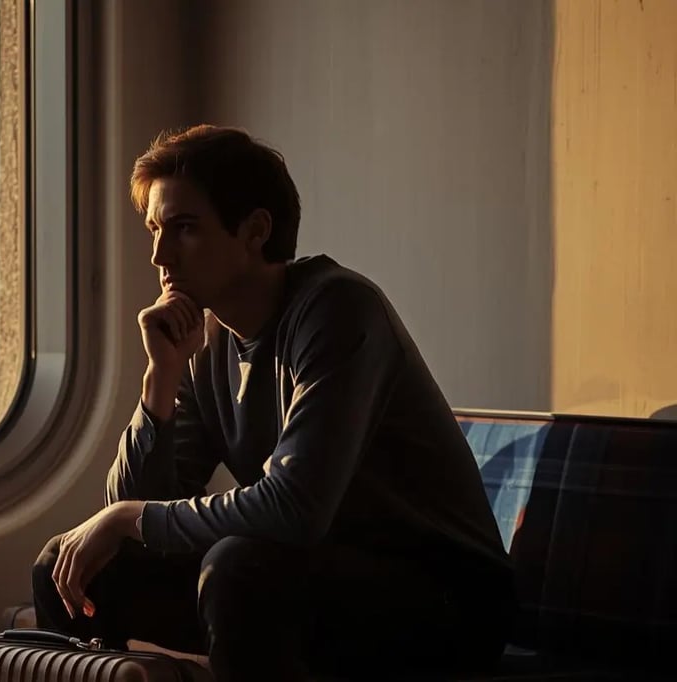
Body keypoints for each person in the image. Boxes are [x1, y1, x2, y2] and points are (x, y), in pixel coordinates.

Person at [32, 125, 515, 681]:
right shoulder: (205, 341)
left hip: (445, 602)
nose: (159, 255)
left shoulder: (337, 310)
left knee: (238, 567)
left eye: (184, 229)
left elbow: (294, 509)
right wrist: (159, 377)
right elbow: (136, 512)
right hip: (311, 578)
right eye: (154, 230)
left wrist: (126, 517)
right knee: (66, 566)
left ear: (255, 231)